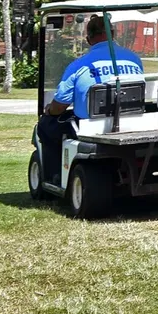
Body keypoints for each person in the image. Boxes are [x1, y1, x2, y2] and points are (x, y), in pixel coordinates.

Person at [36, 16, 145, 187]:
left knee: (45, 126)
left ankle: (54, 176)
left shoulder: (79, 65)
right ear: (113, 34)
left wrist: (49, 111)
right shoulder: (133, 59)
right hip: (132, 119)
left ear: (88, 39)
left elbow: (60, 106)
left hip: (91, 125)